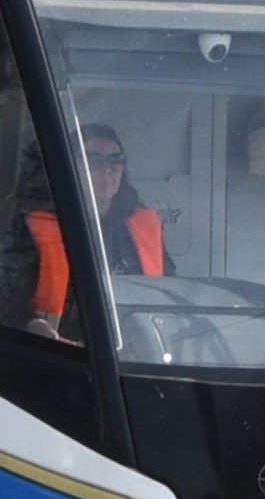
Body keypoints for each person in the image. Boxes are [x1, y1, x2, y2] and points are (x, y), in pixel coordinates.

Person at [25, 122, 165, 340]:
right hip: (60, 355)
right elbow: (5, 301)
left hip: (135, 353)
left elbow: (170, 292)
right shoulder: (37, 226)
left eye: (115, 160)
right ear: (69, 165)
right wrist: (33, 325)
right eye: (94, 159)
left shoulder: (145, 223)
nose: (107, 169)